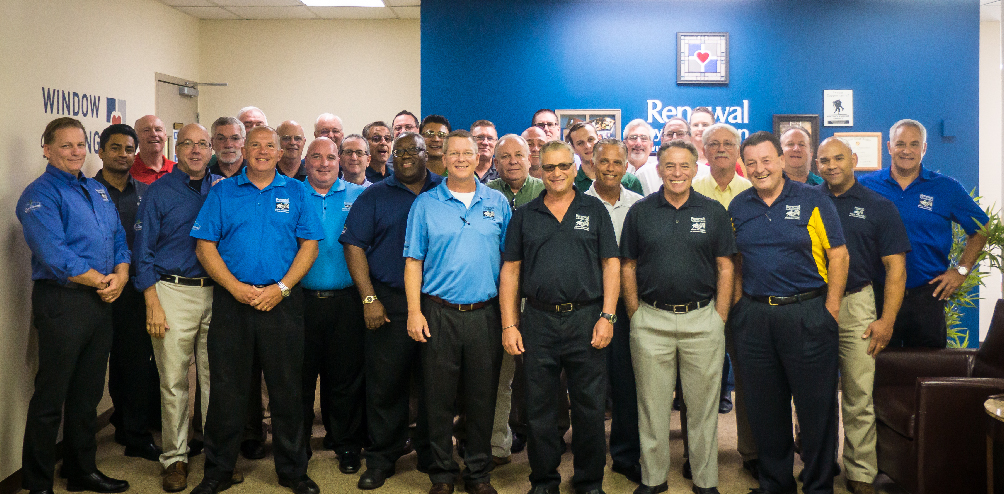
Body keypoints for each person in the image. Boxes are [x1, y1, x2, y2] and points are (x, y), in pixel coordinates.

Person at [189, 126, 323, 494]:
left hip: (282, 303)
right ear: (244, 151)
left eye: (269, 146)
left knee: (287, 391)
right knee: (227, 391)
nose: (262, 151)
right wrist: (235, 288)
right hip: (233, 303)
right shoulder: (223, 193)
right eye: (255, 145)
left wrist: (282, 289)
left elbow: (309, 246)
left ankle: (293, 471)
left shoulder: (297, 191)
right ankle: (218, 471)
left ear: (280, 153)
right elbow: (204, 246)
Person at [729, 130, 849, 494]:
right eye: (752, 163)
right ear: (744, 167)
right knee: (765, 409)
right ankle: (775, 484)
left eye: (767, 160)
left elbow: (839, 256)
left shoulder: (813, 199)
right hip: (755, 318)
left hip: (807, 313)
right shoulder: (739, 206)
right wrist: (739, 309)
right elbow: (735, 262)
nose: (760, 169)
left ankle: (818, 486)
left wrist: (830, 310)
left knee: (816, 409)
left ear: (781, 160)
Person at [17, 117, 131, 494]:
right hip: (62, 302)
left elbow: (118, 236)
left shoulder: (96, 189)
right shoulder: (39, 195)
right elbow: (54, 254)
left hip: (101, 301)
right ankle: (38, 484)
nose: (75, 152)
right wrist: (103, 281)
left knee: (88, 393)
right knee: (51, 396)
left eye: (80, 144)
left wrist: (121, 274)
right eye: (66, 145)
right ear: (47, 149)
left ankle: (81, 470)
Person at [500, 140, 620, 494]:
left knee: (589, 408)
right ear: (540, 169)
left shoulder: (594, 210)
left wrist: (608, 316)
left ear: (575, 167)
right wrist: (509, 324)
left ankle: (589, 481)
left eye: (563, 166)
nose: (556, 173)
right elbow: (511, 271)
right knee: (540, 409)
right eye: (549, 167)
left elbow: (611, 263)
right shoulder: (525, 215)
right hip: (539, 321)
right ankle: (543, 481)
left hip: (587, 318)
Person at [621, 139, 735, 494]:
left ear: (695, 168)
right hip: (651, 321)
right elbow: (628, 265)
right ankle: (653, 479)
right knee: (651, 407)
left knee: (702, 409)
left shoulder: (713, 212)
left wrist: (719, 317)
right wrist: (635, 314)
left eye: (684, 166)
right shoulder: (640, 212)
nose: (677, 173)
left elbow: (726, 267)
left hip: (702, 320)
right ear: (659, 170)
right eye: (669, 166)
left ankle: (705, 481)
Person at [404, 130, 511, 494]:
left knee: (482, 398)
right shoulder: (425, 204)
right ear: (444, 159)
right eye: (455, 153)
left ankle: (478, 473)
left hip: (485, 314)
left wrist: (508, 318)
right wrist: (414, 311)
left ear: (479, 157)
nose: (462, 159)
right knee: (438, 398)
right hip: (438, 313)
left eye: (468, 153)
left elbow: (510, 264)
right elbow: (413, 261)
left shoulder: (497, 202)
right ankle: (442, 474)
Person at [340, 132, 440, 490]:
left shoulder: (445, 190)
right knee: (386, 384)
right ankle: (382, 457)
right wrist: (369, 298)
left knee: (435, 384)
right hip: (389, 302)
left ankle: (432, 454)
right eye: (399, 151)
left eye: (413, 150)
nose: (405, 156)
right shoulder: (374, 195)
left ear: (427, 153)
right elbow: (353, 245)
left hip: (437, 302)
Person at [817, 137, 911, 494]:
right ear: (816, 164)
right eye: (824, 160)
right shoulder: (807, 200)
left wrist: (886, 320)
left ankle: (860, 472)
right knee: (815, 392)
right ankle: (820, 465)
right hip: (813, 304)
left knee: (858, 393)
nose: (831, 166)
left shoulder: (878, 206)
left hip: (857, 305)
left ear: (854, 159)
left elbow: (895, 267)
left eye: (838, 158)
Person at [133, 123, 222, 492]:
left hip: (218, 293)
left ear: (211, 149)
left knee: (215, 380)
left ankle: (218, 458)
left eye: (202, 144)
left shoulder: (223, 188)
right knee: (173, 381)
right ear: (177, 148)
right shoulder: (158, 192)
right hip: (172, 292)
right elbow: (142, 252)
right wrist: (151, 301)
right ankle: (175, 459)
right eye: (187, 143)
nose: (196, 150)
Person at [859, 119, 989, 348]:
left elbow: (981, 228)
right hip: (878, 293)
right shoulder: (867, 185)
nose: (906, 150)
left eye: (914, 144)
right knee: (879, 364)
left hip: (927, 296)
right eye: (900, 144)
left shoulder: (946, 188)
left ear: (924, 148)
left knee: (927, 365)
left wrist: (961, 270)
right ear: (889, 147)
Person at [298, 137, 368, 473]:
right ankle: (297, 449)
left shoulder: (359, 195)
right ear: (305, 161)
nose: (323, 163)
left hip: (346, 302)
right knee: (299, 380)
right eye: (316, 157)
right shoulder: (292, 193)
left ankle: (346, 445)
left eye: (330, 157)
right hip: (300, 302)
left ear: (339, 161)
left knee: (345, 379)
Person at [94, 123, 160, 463]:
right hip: (93, 291)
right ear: (101, 151)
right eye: (115, 148)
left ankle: (134, 433)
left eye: (129, 149)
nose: (123, 154)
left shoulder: (147, 193)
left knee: (134, 364)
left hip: (134, 290)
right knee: (94, 367)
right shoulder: (86, 192)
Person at [584, 139, 643, 485]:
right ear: (592, 163)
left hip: (626, 305)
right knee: (589, 387)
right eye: (603, 161)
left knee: (626, 384)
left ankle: (625, 455)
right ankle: (589, 458)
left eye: (616, 162)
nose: (610, 168)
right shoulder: (578, 202)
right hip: (589, 304)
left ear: (626, 166)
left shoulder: (638, 205)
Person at [485, 134, 544, 464]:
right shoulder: (486, 194)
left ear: (530, 158)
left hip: (538, 298)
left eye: (518, 155)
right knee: (501, 377)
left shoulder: (545, 191)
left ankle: (545, 442)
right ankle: (497, 444)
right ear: (495, 162)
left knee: (542, 375)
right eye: (504, 156)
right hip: (498, 299)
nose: (512, 161)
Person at [567, 122, 643, 195]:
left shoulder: (629, 181)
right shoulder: (571, 183)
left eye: (590, 139)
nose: (587, 146)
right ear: (573, 148)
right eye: (580, 143)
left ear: (599, 138)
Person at [131, 115, 175, 184]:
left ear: (165, 136)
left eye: (158, 130)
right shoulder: (126, 171)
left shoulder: (178, 171)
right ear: (136, 137)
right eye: (146, 130)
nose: (154, 134)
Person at [623, 119, 658, 195]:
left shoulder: (658, 172)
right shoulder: (617, 172)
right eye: (633, 138)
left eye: (644, 138)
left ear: (651, 146)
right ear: (624, 144)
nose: (638, 143)